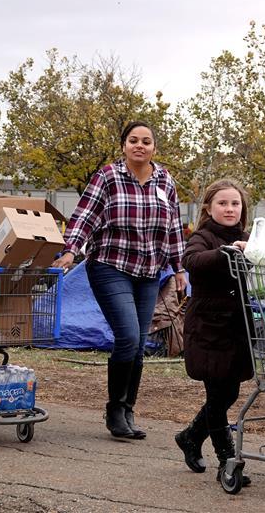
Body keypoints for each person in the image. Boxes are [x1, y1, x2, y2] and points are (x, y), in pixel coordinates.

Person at [54, 121, 186, 439]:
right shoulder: (108, 177)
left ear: (154, 147)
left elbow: (174, 226)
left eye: (146, 141)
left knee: (138, 344)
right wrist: (71, 251)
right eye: (133, 140)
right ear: (124, 145)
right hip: (110, 266)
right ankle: (115, 410)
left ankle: (128, 410)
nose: (139, 145)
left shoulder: (165, 180)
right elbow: (85, 215)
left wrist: (179, 268)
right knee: (127, 336)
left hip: (148, 272)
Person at [174, 179, 253, 487]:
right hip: (208, 326)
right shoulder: (203, 237)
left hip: (237, 326)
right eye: (223, 203)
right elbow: (191, 261)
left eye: (235, 203)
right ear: (208, 208)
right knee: (218, 395)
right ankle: (227, 461)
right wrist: (226, 252)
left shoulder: (249, 237)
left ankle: (190, 436)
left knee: (229, 392)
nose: (230, 208)